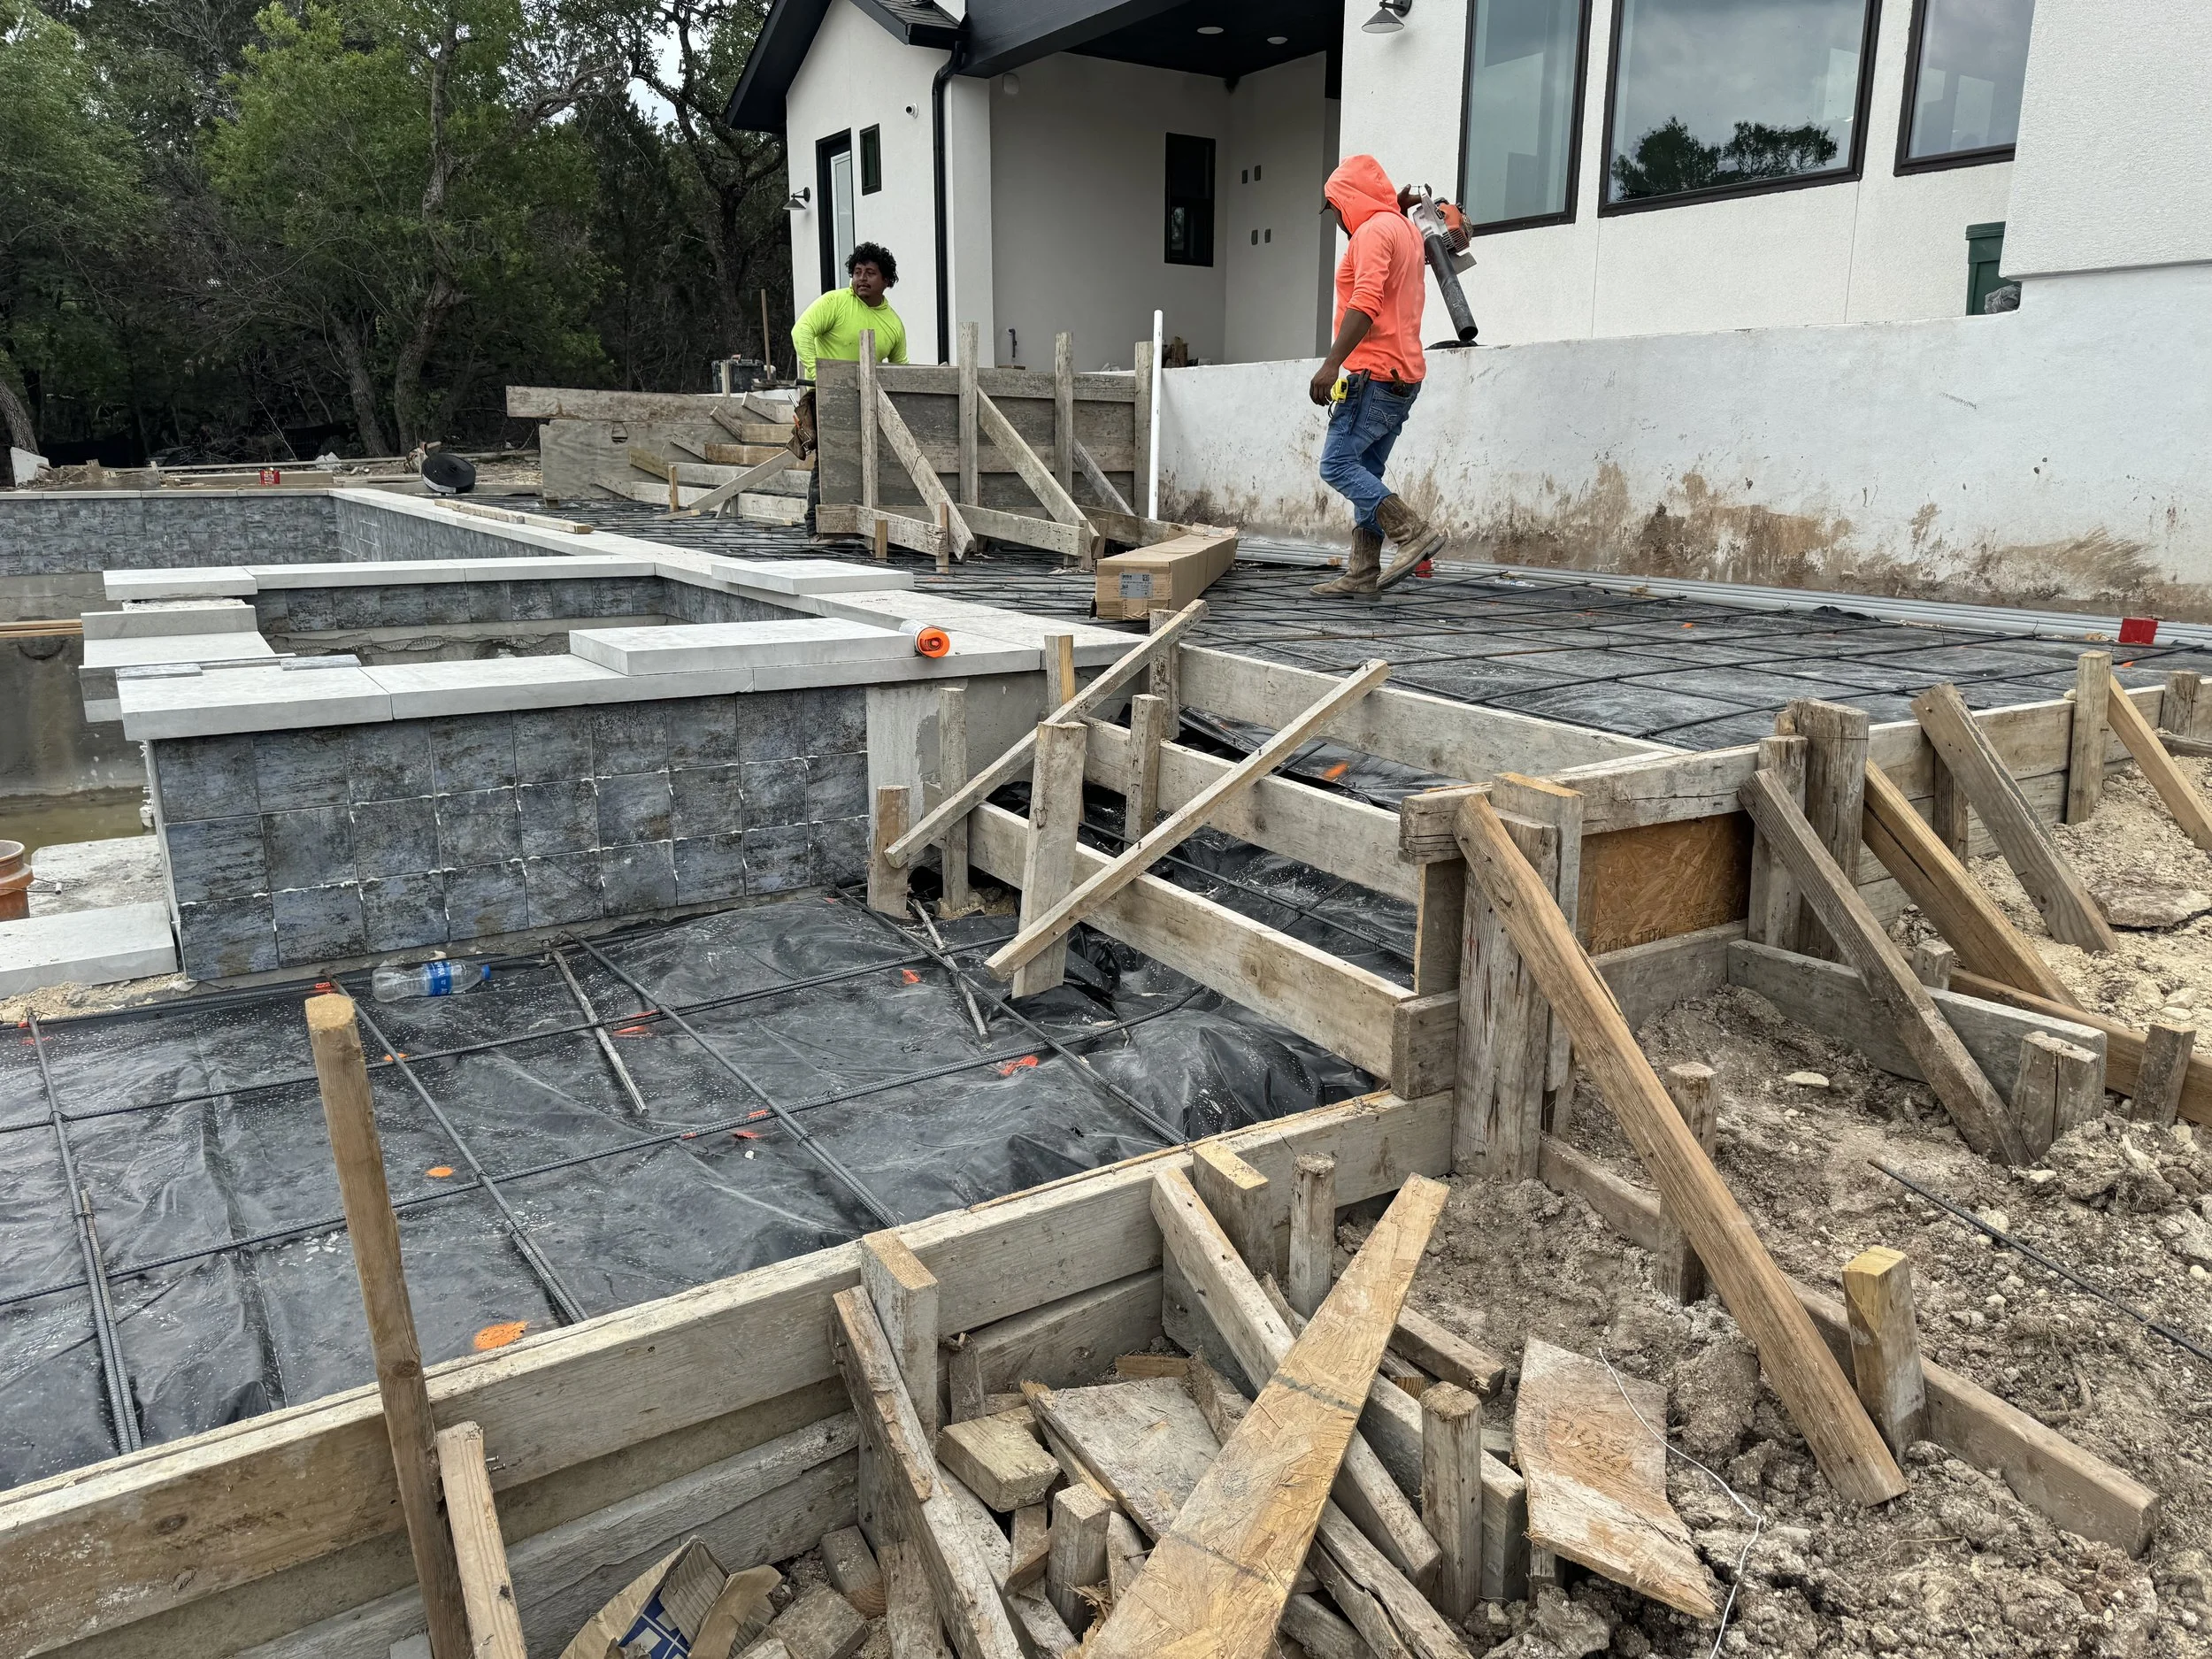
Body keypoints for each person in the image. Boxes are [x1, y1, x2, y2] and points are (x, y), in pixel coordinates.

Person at [1308, 156, 1447, 597]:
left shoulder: (1371, 232)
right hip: (1403, 377)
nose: (1337, 221)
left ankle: (1412, 533)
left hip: (1374, 375)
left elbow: (1366, 302)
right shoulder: (1404, 229)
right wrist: (1396, 206)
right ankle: (1364, 570)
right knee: (1366, 468)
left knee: (1336, 464)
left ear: (1348, 200)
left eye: (1336, 209)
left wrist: (1331, 363)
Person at [789, 242, 908, 533]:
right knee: (830, 459)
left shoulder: (893, 324)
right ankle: (817, 527)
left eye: (870, 273)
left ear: (887, 281)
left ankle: (858, 523)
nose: (861, 278)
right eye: (857, 272)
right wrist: (819, 376)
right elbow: (801, 331)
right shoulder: (835, 302)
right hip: (830, 397)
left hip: (868, 401)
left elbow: (901, 368)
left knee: (868, 460)